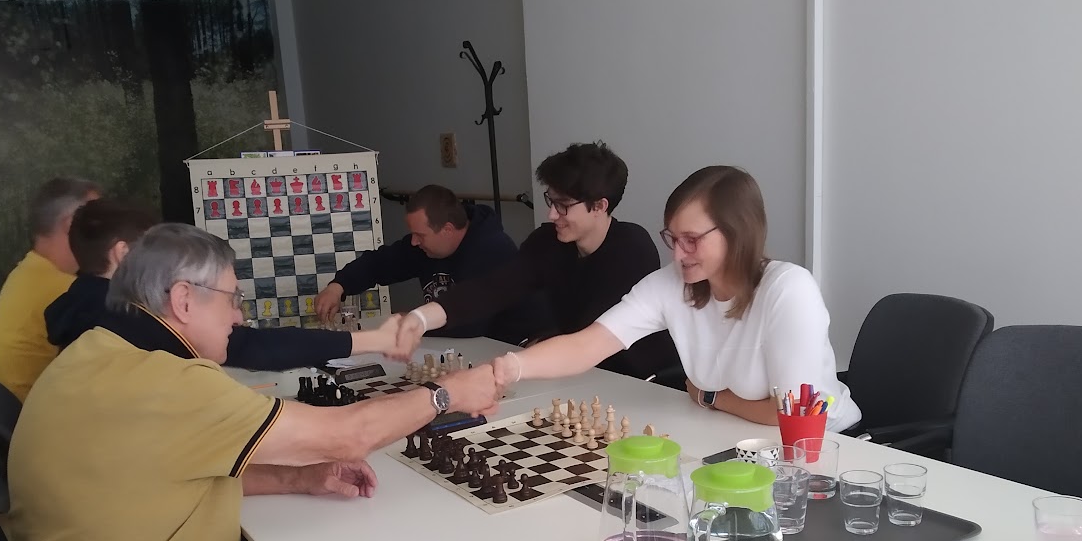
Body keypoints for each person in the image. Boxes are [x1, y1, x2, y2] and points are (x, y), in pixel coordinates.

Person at [5, 223, 500, 541]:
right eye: (232, 298)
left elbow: (165, 474)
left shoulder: (97, 350)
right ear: (183, 300)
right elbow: (349, 436)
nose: (239, 316)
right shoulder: (169, 384)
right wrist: (445, 396)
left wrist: (297, 477)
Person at [488, 165, 861, 432]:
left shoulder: (789, 289)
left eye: (692, 240)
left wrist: (712, 398)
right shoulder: (672, 283)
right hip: (735, 434)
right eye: (673, 238)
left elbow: (795, 415)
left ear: (738, 233)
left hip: (828, 446)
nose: (679, 254)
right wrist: (506, 368)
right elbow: (586, 345)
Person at [392, 142, 679, 379]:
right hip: (578, 373)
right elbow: (493, 288)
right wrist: (421, 318)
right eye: (550, 201)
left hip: (641, 380)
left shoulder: (632, 248)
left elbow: (590, 335)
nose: (552, 214)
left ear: (599, 206)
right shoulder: (548, 242)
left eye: (563, 206)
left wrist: (521, 360)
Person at [45, 198, 402, 366]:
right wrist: (373, 340)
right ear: (123, 254)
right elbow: (251, 346)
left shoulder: (80, 307)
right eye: (154, 248)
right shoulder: (125, 317)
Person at [313, 184, 525, 340]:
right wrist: (338, 286)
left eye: (420, 235)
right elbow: (380, 263)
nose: (414, 242)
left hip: (502, 349)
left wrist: (415, 321)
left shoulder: (492, 251)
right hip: (455, 346)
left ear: (447, 230)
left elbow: (470, 324)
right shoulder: (424, 247)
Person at [0, 176, 100, 401]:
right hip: (34, 410)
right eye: (99, 218)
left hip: (8, 405)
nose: (107, 227)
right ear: (71, 224)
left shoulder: (29, 268)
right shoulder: (66, 291)